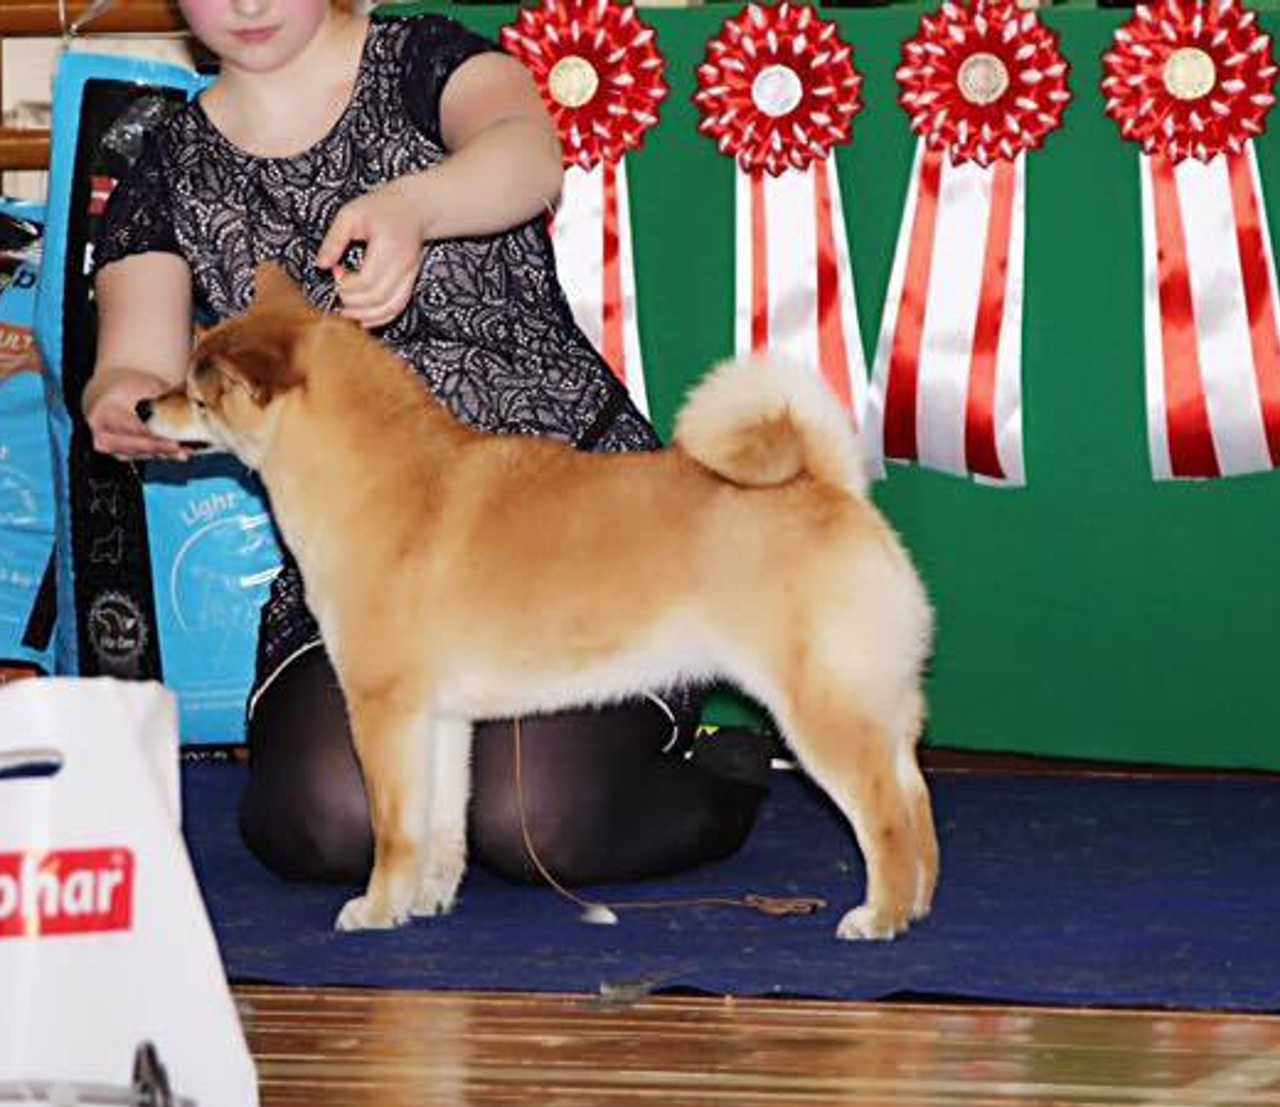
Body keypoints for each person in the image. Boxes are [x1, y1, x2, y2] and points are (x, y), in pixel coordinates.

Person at [85, 0, 772, 889]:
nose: (248, 4)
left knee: (534, 821)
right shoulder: (165, 163)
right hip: (365, 561)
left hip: (575, 529)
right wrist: (122, 400)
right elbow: (133, 361)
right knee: (326, 824)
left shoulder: (424, 57)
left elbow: (528, 150)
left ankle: (725, 777)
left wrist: (416, 206)